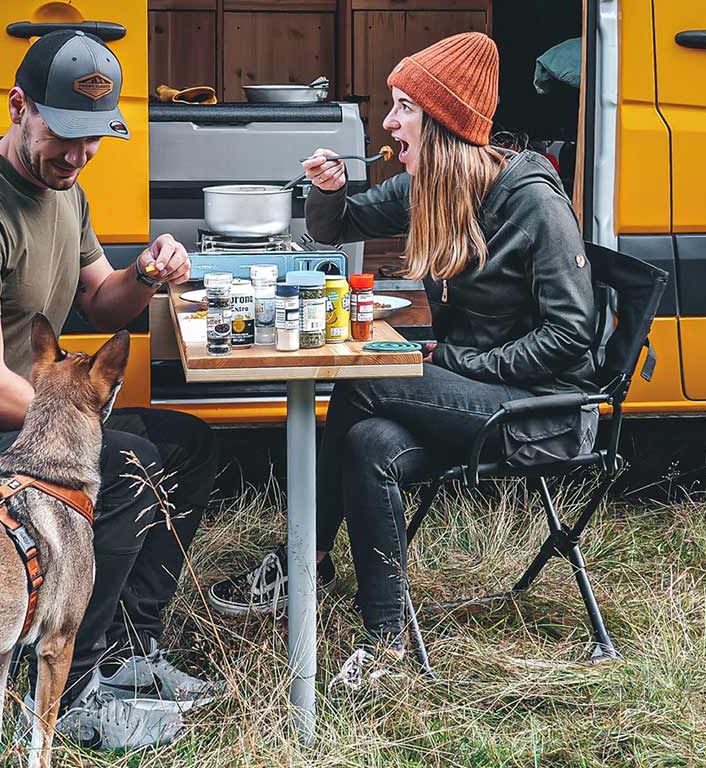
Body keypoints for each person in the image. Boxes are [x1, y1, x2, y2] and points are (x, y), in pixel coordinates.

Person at [207, 32, 598, 678]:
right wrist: (326, 189)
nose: (387, 123)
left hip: (538, 411)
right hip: (472, 396)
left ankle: (302, 561)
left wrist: (462, 366)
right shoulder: (430, 190)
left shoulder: (532, 200)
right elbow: (333, 227)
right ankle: (386, 642)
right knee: (368, 444)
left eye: (402, 108)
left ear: (440, 123)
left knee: (363, 386)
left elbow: (572, 334)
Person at [0, 30, 220, 747]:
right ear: (17, 107)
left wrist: (148, 275)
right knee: (126, 471)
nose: (79, 154)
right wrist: (85, 430)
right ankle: (78, 686)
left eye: (94, 139)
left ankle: (129, 648)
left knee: (190, 445)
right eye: (65, 135)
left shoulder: (65, 188)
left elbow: (101, 302)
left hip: (26, 415)